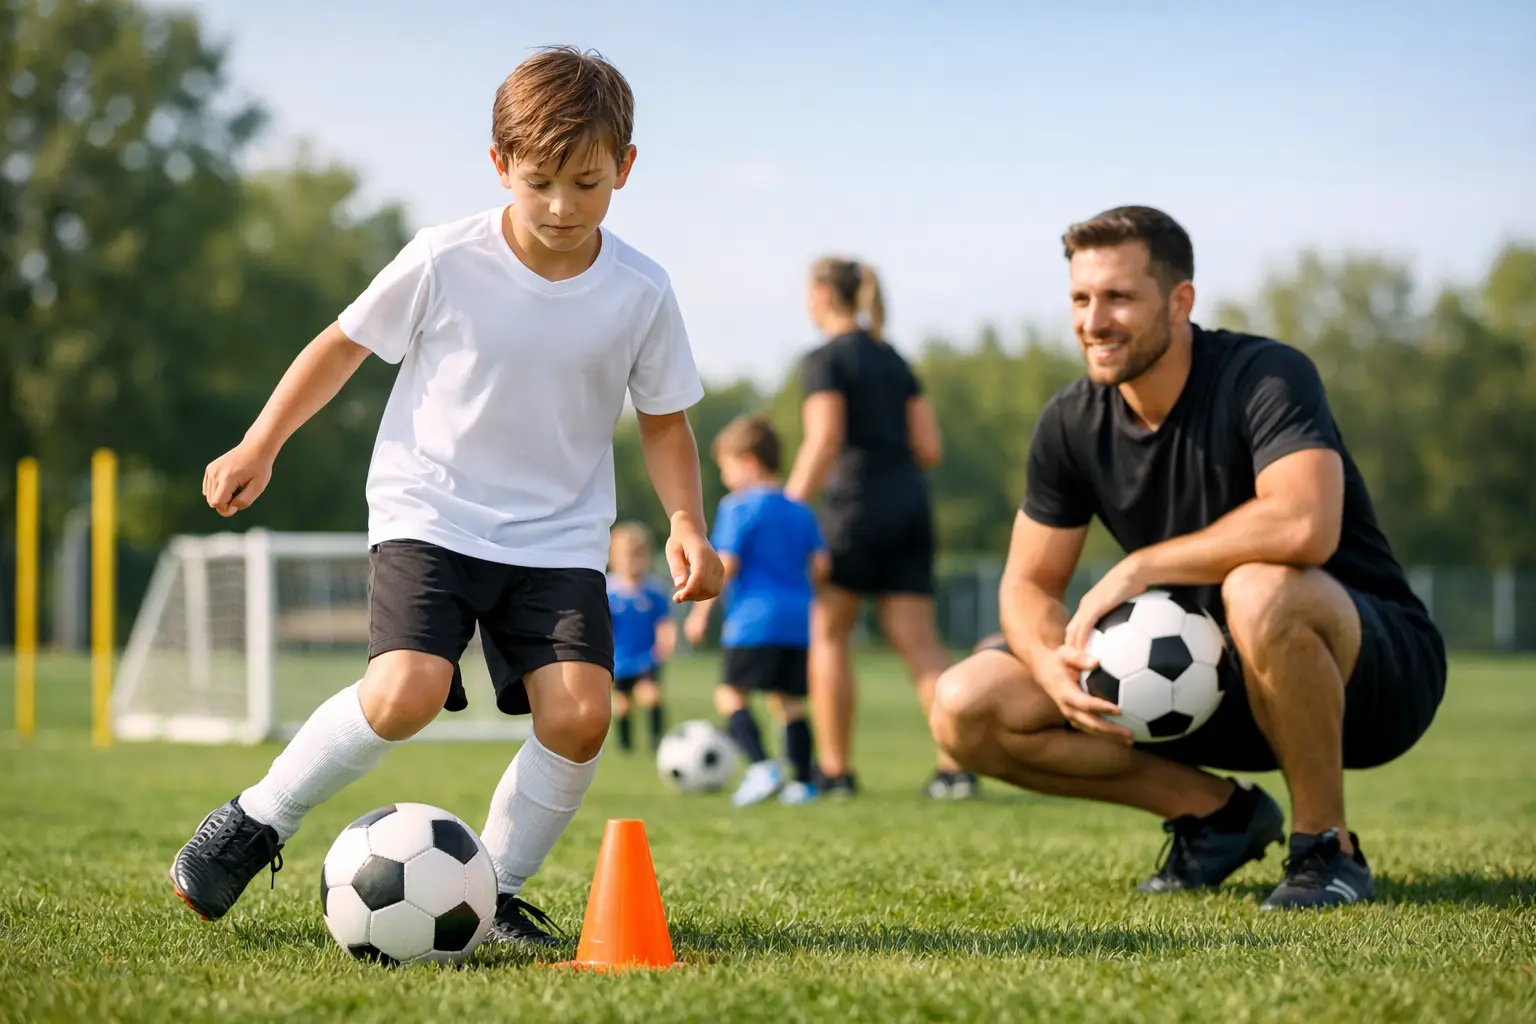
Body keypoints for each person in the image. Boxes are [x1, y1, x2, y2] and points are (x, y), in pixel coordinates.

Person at [168, 46, 724, 944]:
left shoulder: (641, 291)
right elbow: (342, 345)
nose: (560, 207)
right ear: (499, 164)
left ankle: (491, 892)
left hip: (559, 538)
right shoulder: (443, 258)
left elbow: (664, 420)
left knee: (582, 717)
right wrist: (260, 441)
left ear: (625, 168)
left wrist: (687, 523)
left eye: (586, 184)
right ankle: (255, 818)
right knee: (405, 694)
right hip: (432, 513)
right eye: (539, 181)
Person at [928, 206, 1446, 910]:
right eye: (1080, 299)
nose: (1093, 320)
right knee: (965, 706)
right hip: (1202, 678)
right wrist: (1049, 662)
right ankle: (1217, 816)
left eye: (1118, 297)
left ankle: (1327, 847)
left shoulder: (1266, 375)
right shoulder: (1072, 422)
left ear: (1180, 302)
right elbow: (1027, 583)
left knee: (1260, 589)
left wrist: (1143, 566)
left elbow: (1305, 525)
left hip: (1367, 670)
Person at [784, 257, 976, 800]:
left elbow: (823, 440)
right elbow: (930, 449)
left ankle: (837, 772)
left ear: (821, 293)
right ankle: (955, 769)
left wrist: (787, 507)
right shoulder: (894, 359)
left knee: (829, 634)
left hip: (854, 508)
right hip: (910, 505)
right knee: (920, 644)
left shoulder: (824, 359)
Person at [685, 414, 827, 806]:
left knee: (730, 695)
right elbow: (821, 567)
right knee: (789, 701)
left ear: (748, 462)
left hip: (754, 621)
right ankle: (803, 784)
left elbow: (726, 564)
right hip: (797, 620)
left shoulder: (740, 506)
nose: (726, 479)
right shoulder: (800, 510)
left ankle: (762, 766)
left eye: (727, 469)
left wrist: (700, 613)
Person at [607, 522, 676, 755]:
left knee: (652, 696)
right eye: (628, 556)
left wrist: (666, 641)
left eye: (639, 556)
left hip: (646, 656)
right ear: (614, 558)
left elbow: (663, 621)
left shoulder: (653, 590)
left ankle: (657, 741)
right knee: (623, 703)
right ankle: (625, 746)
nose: (634, 563)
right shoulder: (608, 590)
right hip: (619, 657)